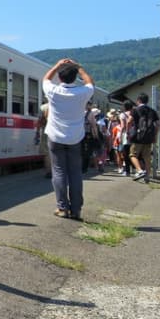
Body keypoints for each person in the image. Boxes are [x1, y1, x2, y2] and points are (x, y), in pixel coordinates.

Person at [43, 59, 95, 219]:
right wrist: (79, 67)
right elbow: (90, 82)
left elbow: (45, 78)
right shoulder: (82, 93)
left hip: (55, 137)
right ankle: (76, 210)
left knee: (58, 172)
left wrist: (57, 65)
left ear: (60, 77)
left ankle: (62, 208)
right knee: (75, 173)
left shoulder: (53, 91)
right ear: (74, 77)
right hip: (75, 138)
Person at [128, 93, 159, 180]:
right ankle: (148, 176)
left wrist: (128, 131)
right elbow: (157, 125)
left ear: (139, 100)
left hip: (138, 136)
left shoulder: (135, 110)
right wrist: (155, 135)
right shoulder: (152, 111)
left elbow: (129, 121)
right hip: (148, 137)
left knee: (132, 155)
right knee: (147, 157)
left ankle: (139, 170)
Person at [35, 101, 52, 178]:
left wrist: (37, 132)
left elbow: (40, 121)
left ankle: (49, 172)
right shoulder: (60, 105)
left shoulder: (43, 107)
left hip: (47, 131)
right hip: (59, 132)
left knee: (47, 153)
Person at [119, 101, 135, 175]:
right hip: (135, 134)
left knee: (126, 153)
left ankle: (127, 171)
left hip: (126, 134)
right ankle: (135, 169)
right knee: (134, 152)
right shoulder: (134, 113)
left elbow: (122, 126)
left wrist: (120, 136)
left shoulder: (122, 115)